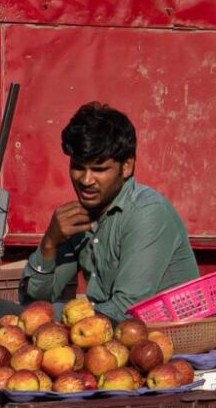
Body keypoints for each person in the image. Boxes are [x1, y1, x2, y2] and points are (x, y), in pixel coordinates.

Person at [19, 102, 201, 320]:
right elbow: (34, 303)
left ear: (126, 167)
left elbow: (127, 309)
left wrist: (57, 318)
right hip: (106, 334)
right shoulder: (80, 217)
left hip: (159, 338)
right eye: (78, 167)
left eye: (99, 169)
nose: (86, 180)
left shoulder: (147, 212)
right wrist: (49, 243)